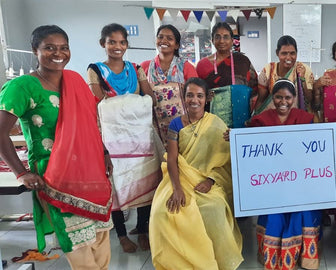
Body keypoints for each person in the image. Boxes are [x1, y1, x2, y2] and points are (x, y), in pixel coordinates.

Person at [0, 25, 113, 269]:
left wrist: (103, 152)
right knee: (78, 244)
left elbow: (89, 124)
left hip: (90, 173)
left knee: (101, 238)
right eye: (49, 48)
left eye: (63, 48)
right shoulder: (22, 87)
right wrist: (22, 173)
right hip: (54, 177)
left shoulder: (75, 81)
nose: (58, 53)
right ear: (35, 51)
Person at [149, 78, 242, 270]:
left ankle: (218, 259)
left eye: (199, 96)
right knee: (162, 211)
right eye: (190, 95)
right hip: (179, 176)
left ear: (206, 99)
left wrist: (210, 180)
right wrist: (177, 189)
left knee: (214, 207)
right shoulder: (176, 125)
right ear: (184, 98)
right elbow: (172, 159)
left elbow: (223, 159)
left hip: (209, 178)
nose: (194, 100)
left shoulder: (215, 123)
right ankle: (179, 262)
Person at [87, 23, 161, 253]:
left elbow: (151, 98)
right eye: (112, 42)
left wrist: (120, 103)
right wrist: (132, 102)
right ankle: (120, 235)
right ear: (103, 44)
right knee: (116, 186)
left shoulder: (135, 68)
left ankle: (142, 229)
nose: (117, 47)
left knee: (145, 181)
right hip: (111, 139)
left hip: (139, 138)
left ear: (127, 44)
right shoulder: (96, 70)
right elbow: (100, 104)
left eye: (121, 42)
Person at [247, 79, 321, 270]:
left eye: (288, 97)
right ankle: (272, 255)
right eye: (278, 97)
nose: (283, 101)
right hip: (273, 180)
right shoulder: (261, 120)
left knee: (304, 206)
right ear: (272, 97)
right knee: (274, 208)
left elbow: (317, 145)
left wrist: (329, 132)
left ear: (294, 98)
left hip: (300, 180)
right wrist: (233, 137)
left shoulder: (305, 118)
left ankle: (303, 256)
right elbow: (249, 147)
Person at [141, 24, 198, 143]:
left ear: (177, 45)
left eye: (169, 38)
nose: (164, 41)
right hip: (153, 128)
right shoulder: (145, 67)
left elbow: (196, 96)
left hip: (183, 126)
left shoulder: (186, 67)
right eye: (160, 37)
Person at [196, 22, 258, 128]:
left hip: (242, 116)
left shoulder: (243, 61)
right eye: (217, 37)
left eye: (226, 37)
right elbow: (197, 93)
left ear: (232, 40)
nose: (221, 41)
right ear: (212, 40)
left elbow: (255, 88)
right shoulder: (202, 65)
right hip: (213, 120)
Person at [253, 35, 317, 120]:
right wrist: (256, 119)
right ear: (277, 53)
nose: (288, 57)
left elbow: (309, 100)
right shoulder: (268, 70)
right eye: (284, 53)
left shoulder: (304, 69)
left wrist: (302, 79)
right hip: (273, 121)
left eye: (292, 53)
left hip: (297, 120)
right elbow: (261, 100)